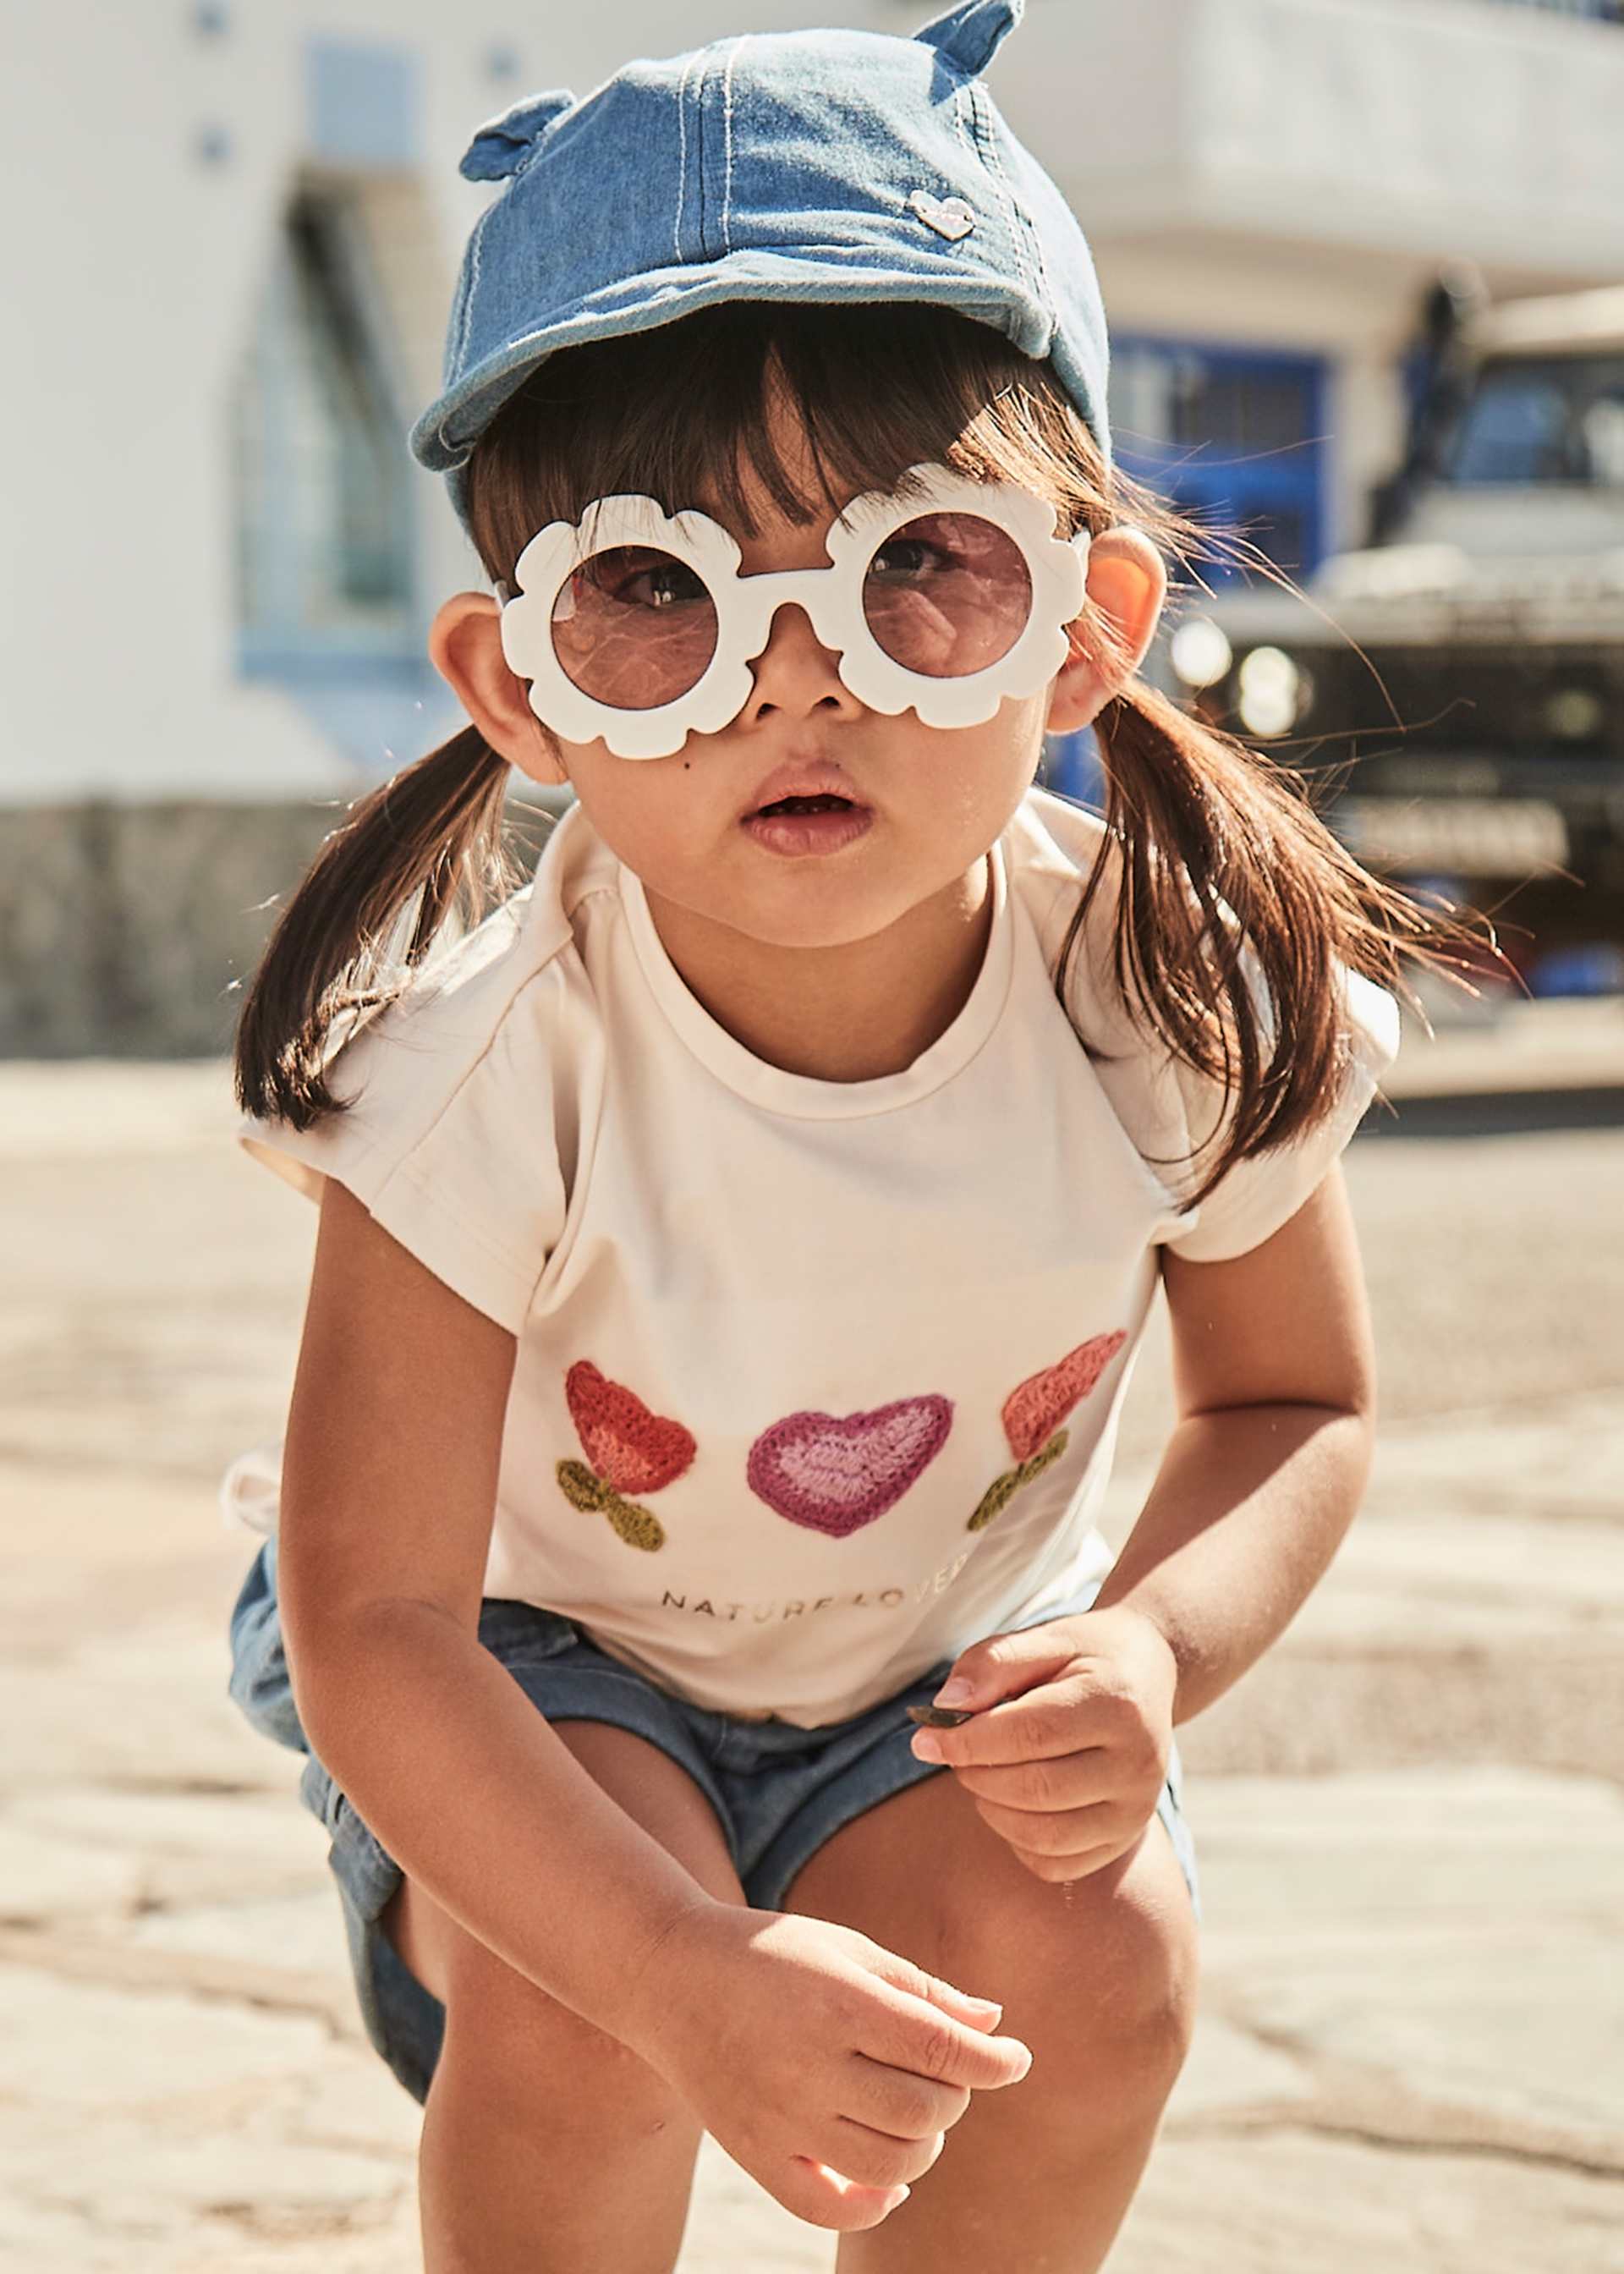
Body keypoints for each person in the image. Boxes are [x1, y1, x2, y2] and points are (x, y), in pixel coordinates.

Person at [222, 4, 1453, 2266]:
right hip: (530, 1687)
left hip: (931, 1680)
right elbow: (379, 1618)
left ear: (1081, 630)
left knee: (1097, 1973)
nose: (803, 676)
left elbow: (1299, 1395)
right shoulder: (484, 1074)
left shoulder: (1167, 1000)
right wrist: (673, 1966)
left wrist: (1159, 1646)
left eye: (918, 568)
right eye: (654, 596)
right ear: (523, 694)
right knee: (591, 2006)